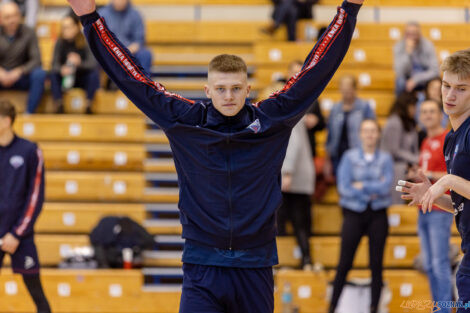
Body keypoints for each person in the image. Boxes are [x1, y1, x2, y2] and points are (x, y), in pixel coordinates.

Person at [68, 0, 364, 311]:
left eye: (236, 88)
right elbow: (132, 77)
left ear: (248, 89)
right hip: (202, 268)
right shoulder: (185, 120)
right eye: (221, 89)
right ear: (207, 90)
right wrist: (90, 19)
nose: (229, 96)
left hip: (255, 267)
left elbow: (316, 69)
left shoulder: (270, 120)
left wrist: (350, 9)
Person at [397, 49, 470, 313]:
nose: (450, 95)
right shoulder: (452, 138)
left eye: (461, 88)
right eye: (446, 85)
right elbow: (462, 203)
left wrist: (447, 179)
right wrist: (434, 196)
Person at [329, 119, 394, 313]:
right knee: (344, 263)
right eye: (366, 131)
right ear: (360, 134)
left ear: (378, 134)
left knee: (376, 264)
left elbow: (387, 186)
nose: (370, 135)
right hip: (353, 214)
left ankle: (374, 307)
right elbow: (344, 187)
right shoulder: (349, 158)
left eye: (373, 131)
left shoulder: (385, 159)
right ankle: (332, 306)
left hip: (378, 214)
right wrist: (373, 187)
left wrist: (362, 186)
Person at [0, 100, 51, 313]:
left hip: (21, 235)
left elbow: (36, 196)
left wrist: (17, 233)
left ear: (7, 120)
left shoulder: (30, 150)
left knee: (36, 293)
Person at [410, 99, 452, 312]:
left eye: (431, 111)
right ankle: (438, 308)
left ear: (440, 114)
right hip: (423, 208)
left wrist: (430, 174)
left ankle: (444, 309)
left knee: (439, 263)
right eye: (423, 111)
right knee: (429, 265)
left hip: (440, 209)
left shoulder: (447, 138)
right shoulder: (426, 141)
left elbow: (455, 176)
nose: (427, 115)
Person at [277, 112, 315, 270]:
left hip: (295, 179)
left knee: (299, 222)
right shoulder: (293, 114)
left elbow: (293, 143)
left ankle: (306, 260)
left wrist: (287, 172)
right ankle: (300, 260)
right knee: (294, 223)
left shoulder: (289, 116)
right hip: (296, 178)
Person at [325, 75, 375, 177]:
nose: (346, 92)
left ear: (355, 89)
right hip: (338, 155)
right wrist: (327, 159)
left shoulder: (364, 107)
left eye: (349, 89)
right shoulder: (335, 108)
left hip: (358, 154)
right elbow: (330, 135)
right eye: (343, 89)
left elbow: (373, 130)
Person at [0, 2, 46, 114]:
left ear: (20, 16)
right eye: (7, 17)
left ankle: (29, 113)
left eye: (15, 15)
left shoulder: (29, 32)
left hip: (21, 77)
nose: (12, 20)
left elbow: (36, 60)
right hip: (1, 76)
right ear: (0, 19)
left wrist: (19, 71)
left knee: (39, 74)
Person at [49, 12, 100, 114]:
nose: (65, 31)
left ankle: (88, 104)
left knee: (94, 74)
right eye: (63, 28)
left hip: (80, 77)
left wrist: (79, 63)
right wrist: (62, 69)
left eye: (68, 27)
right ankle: (59, 104)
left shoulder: (85, 40)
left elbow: (93, 63)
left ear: (76, 27)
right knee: (53, 74)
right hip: (65, 78)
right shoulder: (60, 42)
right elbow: (54, 65)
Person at [380, 92, 419, 204]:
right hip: (394, 169)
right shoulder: (394, 122)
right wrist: (416, 158)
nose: (415, 109)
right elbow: (394, 150)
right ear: (405, 106)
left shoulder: (409, 122)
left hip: (406, 167)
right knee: (397, 202)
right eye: (413, 106)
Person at [98, 0, 152, 73]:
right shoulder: (102, 14)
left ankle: (143, 83)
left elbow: (139, 40)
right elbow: (99, 38)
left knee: (145, 54)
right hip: (109, 51)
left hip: (130, 52)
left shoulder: (135, 14)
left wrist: (126, 52)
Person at [393, 21, 439, 95]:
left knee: (436, 83)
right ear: (404, 34)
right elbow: (400, 72)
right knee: (400, 82)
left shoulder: (428, 45)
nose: (411, 37)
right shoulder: (398, 46)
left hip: (424, 78)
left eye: (414, 34)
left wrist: (416, 79)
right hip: (407, 79)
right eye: (408, 34)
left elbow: (435, 71)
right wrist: (408, 54)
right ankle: (401, 105)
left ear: (419, 34)